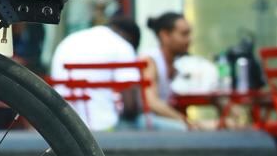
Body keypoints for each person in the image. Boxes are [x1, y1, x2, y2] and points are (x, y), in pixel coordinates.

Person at [49, 15, 188, 131]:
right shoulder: (122, 46)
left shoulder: (69, 41)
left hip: (66, 124)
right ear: (131, 39)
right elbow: (130, 108)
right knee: (178, 129)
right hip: (106, 126)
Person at [143, 12, 192, 109]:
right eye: (184, 34)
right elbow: (152, 103)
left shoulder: (179, 64)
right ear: (164, 35)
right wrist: (186, 122)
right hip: (147, 120)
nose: (189, 39)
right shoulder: (150, 60)